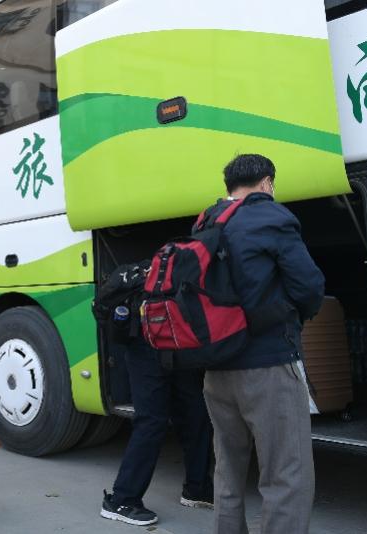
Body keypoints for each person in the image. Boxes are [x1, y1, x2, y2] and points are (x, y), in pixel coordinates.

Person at [202, 154, 324, 534]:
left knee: (228, 473)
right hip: (268, 365)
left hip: (216, 370)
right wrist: (293, 317)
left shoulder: (206, 221)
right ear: (267, 182)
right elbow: (309, 286)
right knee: (287, 476)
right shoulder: (272, 217)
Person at [100, 340, 214, 526]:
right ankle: (122, 500)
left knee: (196, 415)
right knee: (152, 422)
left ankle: (197, 489)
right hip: (144, 342)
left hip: (179, 342)